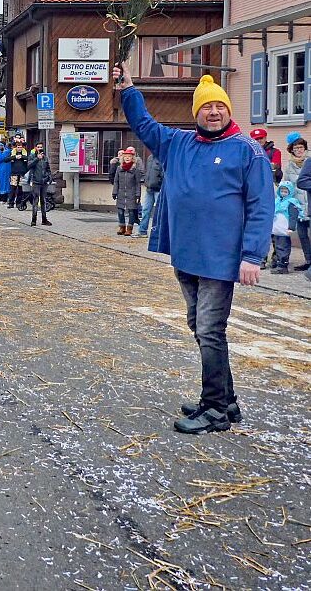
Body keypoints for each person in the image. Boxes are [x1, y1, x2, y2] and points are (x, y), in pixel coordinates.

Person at [117, 65, 273, 434]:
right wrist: (128, 89)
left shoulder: (247, 151)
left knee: (209, 329)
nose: (213, 112)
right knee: (201, 327)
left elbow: (261, 206)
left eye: (219, 106)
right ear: (196, 112)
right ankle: (227, 400)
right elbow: (144, 125)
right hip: (187, 254)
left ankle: (215, 410)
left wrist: (252, 255)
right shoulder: (179, 143)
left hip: (221, 259)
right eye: (206, 107)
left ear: (228, 111)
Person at [283, 133, 311, 270]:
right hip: (298, 205)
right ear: (291, 150)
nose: (299, 150)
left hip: (309, 203)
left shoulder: (310, 162)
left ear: (305, 148)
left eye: (301, 147)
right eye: (296, 148)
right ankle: (308, 260)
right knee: (302, 235)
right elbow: (286, 185)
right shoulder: (289, 166)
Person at [270, 181, 304, 274]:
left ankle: (283, 265)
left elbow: (293, 216)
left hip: (284, 229)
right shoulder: (277, 201)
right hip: (277, 228)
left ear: (290, 192)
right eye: (282, 191)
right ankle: (278, 262)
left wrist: (291, 228)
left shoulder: (292, 202)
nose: (283, 193)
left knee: (283, 247)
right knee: (277, 246)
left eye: (286, 191)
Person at [112, 147, 143, 236]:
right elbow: (116, 181)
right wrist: (114, 192)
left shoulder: (135, 170)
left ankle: (129, 228)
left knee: (131, 211)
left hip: (131, 194)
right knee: (120, 211)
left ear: (132, 158)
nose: (127, 158)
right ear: (123, 158)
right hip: (121, 193)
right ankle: (122, 227)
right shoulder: (119, 168)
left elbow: (138, 183)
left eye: (129, 156)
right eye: (125, 156)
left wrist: (138, 195)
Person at [134, 152, 164, 239]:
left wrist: (161, 185)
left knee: (159, 212)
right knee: (145, 210)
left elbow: (164, 173)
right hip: (149, 188)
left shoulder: (162, 157)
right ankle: (142, 231)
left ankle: (159, 233)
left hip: (158, 189)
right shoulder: (150, 157)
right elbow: (147, 172)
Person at [28, 145, 53, 227]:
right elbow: (29, 166)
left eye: (41, 147)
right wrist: (37, 159)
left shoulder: (45, 158)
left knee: (43, 200)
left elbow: (48, 169)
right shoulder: (32, 156)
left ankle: (44, 219)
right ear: (35, 148)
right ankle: (33, 220)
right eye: (38, 147)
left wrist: (49, 177)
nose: (40, 148)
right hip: (36, 181)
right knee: (35, 200)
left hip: (44, 181)